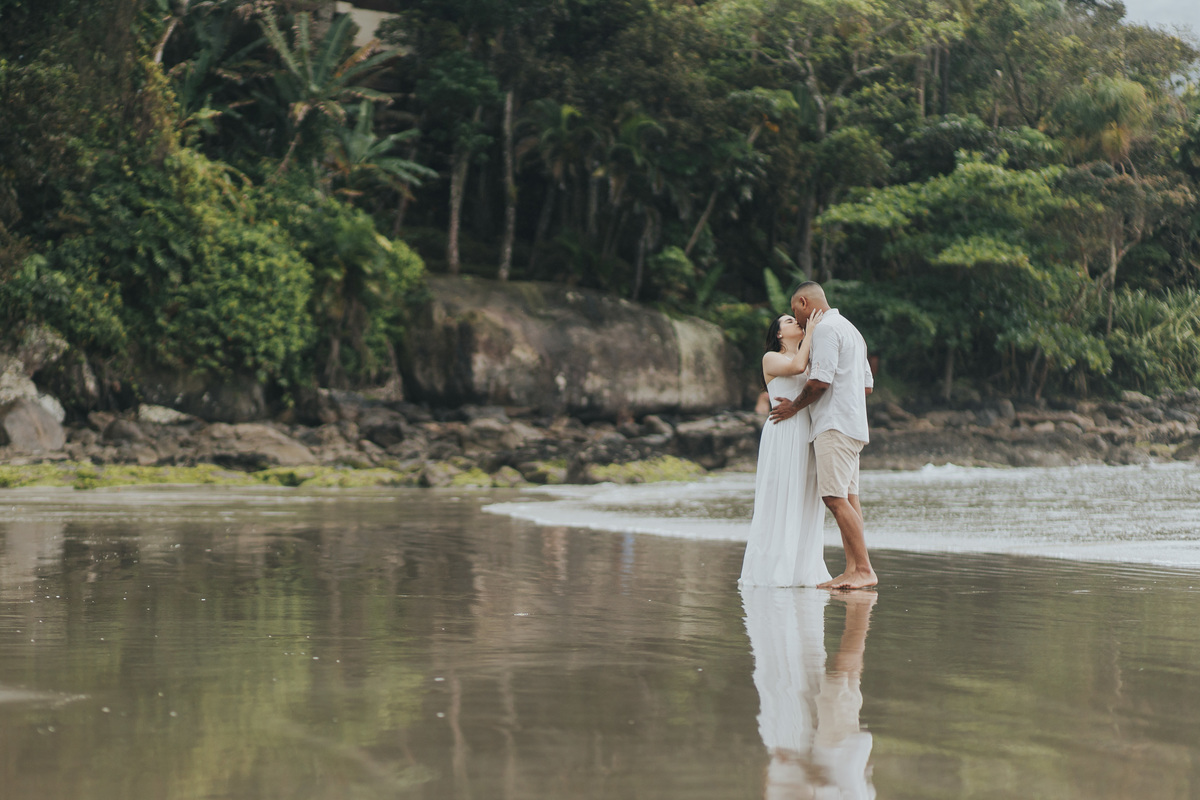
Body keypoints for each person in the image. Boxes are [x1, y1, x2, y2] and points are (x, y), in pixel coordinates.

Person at [769, 281, 877, 590]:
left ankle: (864, 569)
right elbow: (866, 386)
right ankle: (854, 568)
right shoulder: (851, 330)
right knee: (849, 498)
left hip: (834, 425)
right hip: (853, 424)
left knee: (833, 497)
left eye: (795, 311)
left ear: (804, 303)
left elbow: (819, 382)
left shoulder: (827, 330)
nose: (797, 319)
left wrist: (793, 407)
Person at [739, 309, 831, 587]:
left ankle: (802, 569)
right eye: (789, 321)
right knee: (780, 494)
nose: (797, 322)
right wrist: (811, 332)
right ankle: (774, 568)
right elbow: (797, 368)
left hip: (805, 431)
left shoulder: (807, 356)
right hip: (782, 431)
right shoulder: (771, 358)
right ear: (779, 333)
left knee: (805, 495)